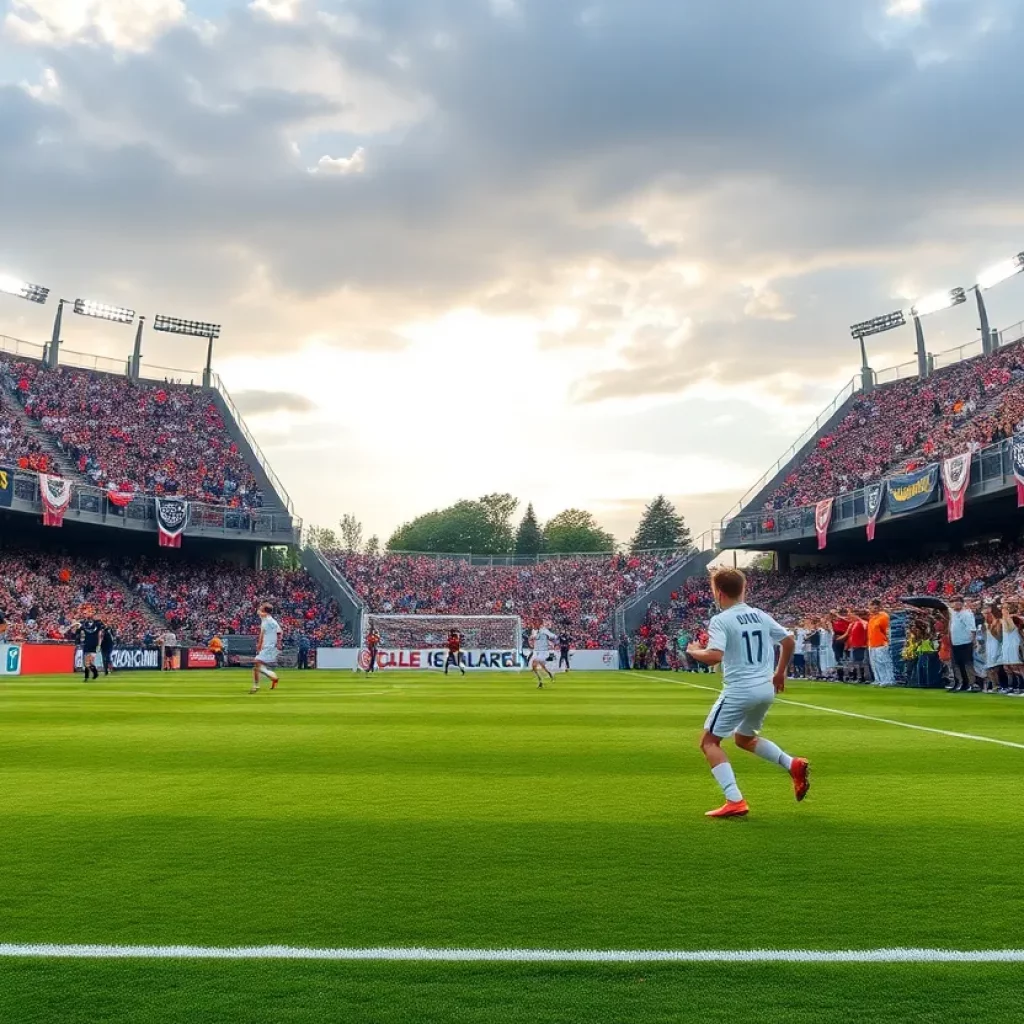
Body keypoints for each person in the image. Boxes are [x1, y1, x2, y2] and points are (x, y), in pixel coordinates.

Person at [686, 568, 810, 819]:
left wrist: (694, 651)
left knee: (709, 742)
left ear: (718, 593)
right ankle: (791, 763)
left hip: (740, 689)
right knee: (744, 738)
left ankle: (734, 799)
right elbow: (788, 641)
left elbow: (714, 657)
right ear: (744, 589)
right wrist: (780, 673)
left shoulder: (722, 619)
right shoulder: (760, 615)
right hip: (765, 689)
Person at [249, 602, 281, 693]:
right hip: (269, 646)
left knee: (256, 663)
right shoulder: (272, 621)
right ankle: (273, 677)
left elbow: (262, 635)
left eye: (262, 607)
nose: (260, 608)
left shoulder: (267, 621)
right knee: (257, 666)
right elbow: (280, 632)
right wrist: (278, 643)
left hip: (267, 646)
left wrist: (259, 645)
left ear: (265, 611)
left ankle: (256, 686)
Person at [947, 595, 977, 692]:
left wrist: (973, 641)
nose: (956, 604)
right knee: (958, 664)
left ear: (962, 603)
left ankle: (971, 684)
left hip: (966, 642)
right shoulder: (953, 614)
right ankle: (962, 683)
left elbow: (972, 628)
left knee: (967, 664)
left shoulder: (967, 614)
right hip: (955, 642)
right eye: (954, 602)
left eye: (958, 602)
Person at [867, 600, 894, 687]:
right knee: (875, 663)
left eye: (873, 607)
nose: (871, 608)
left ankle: (889, 679)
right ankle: (879, 679)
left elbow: (887, 630)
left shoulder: (883, 616)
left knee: (884, 662)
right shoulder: (872, 617)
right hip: (872, 644)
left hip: (881, 644)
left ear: (878, 607)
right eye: (870, 606)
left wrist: (888, 641)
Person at [77, 608, 105, 681]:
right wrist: (78, 628)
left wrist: (99, 644)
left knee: (89, 662)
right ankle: (91, 675)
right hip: (87, 644)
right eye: (86, 614)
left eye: (89, 613)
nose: (88, 615)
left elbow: (100, 634)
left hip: (93, 645)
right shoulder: (84, 624)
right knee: (87, 663)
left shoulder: (98, 624)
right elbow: (77, 632)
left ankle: (91, 675)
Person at [530, 619, 557, 688]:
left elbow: (554, 636)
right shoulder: (534, 631)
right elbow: (532, 638)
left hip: (543, 651)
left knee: (535, 662)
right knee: (535, 667)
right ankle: (545, 677)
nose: (534, 625)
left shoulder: (544, 630)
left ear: (539, 624)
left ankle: (541, 680)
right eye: (533, 624)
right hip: (536, 651)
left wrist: (551, 639)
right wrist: (531, 641)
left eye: (535, 623)